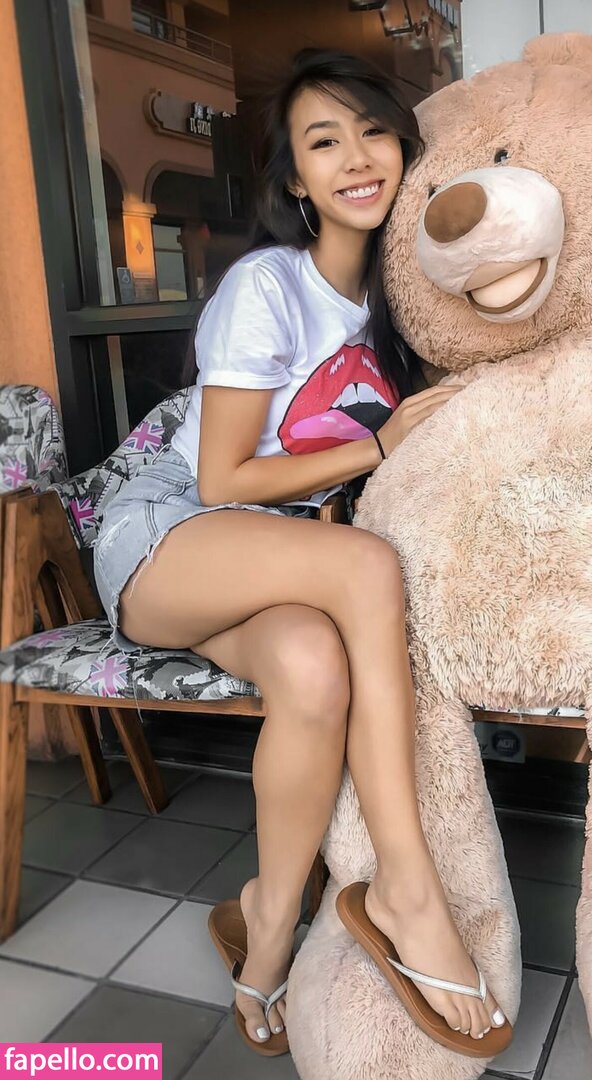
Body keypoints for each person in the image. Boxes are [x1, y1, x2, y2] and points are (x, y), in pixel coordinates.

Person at [93, 48, 509, 1059]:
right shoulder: (268, 285)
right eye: (325, 143)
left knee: (315, 669)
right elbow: (223, 477)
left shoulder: (402, 308)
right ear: (295, 182)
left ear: (407, 153)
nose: (356, 158)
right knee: (366, 570)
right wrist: (377, 446)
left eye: (373, 132)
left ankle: (266, 929)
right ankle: (406, 889)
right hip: (167, 536)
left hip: (272, 557)